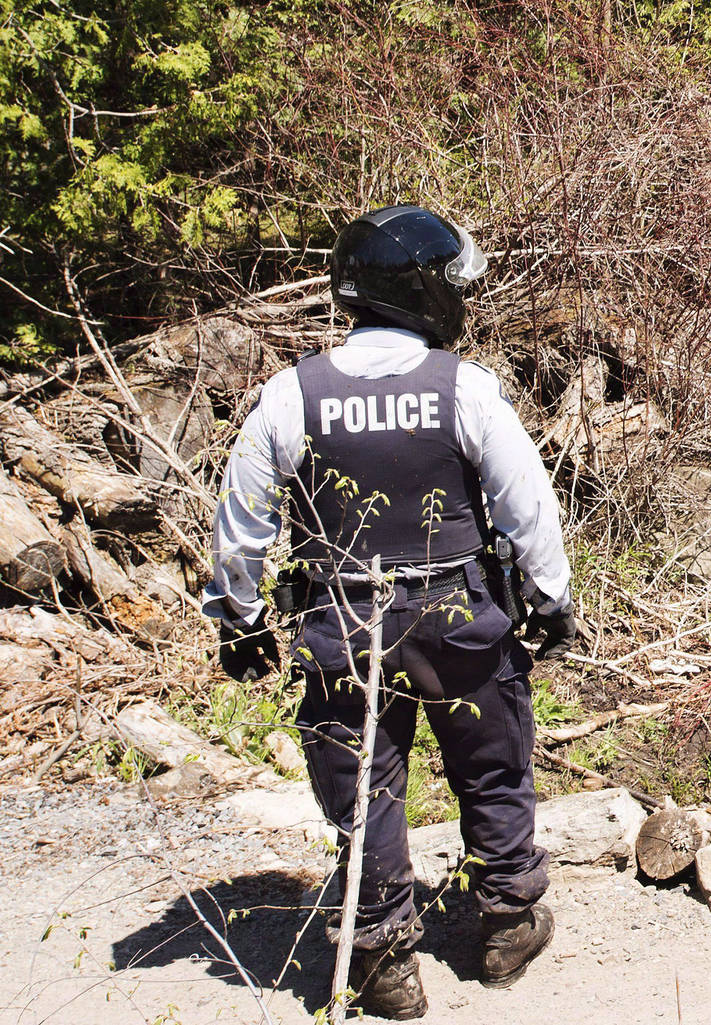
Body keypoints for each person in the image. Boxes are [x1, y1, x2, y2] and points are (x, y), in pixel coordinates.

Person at [202, 205, 585, 1020]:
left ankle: (381, 959)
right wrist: (552, 598)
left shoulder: (290, 395)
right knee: (492, 760)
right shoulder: (466, 389)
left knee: (363, 784)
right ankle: (511, 923)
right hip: (459, 616)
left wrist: (238, 620)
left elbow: (240, 525)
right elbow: (529, 509)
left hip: (342, 619)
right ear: (421, 292)